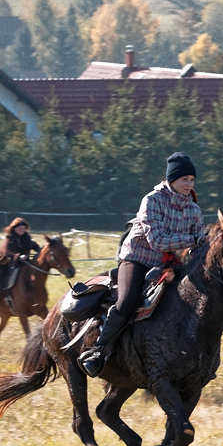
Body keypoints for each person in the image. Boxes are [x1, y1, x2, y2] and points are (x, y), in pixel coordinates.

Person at [78, 152, 206, 378]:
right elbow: (158, 241)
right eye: (184, 179)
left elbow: (200, 244)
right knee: (126, 302)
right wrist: (194, 241)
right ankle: (99, 351)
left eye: (192, 180)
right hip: (138, 260)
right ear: (171, 180)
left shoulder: (194, 209)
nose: (189, 184)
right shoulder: (152, 200)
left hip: (171, 263)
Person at [0, 217, 42, 308]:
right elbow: (6, 252)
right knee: (1, 275)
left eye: (23, 228)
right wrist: (18, 257)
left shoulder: (27, 238)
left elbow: (35, 247)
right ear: (14, 228)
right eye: (19, 228)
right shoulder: (9, 237)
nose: (21, 230)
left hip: (22, 263)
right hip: (5, 262)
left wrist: (41, 251)